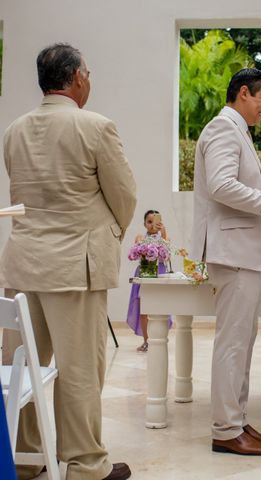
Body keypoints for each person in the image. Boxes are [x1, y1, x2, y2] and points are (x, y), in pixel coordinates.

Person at [0, 43, 136, 480]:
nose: (89, 81)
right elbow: (125, 196)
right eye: (89, 74)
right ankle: (85, 465)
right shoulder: (95, 127)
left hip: (21, 263)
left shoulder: (14, 129)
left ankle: (26, 458)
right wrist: (111, 233)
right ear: (77, 77)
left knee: (24, 364)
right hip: (74, 267)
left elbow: (20, 197)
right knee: (78, 371)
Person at [191, 68, 261, 456]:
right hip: (233, 253)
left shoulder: (238, 131)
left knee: (243, 341)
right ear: (242, 93)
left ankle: (235, 421)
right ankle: (224, 430)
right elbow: (221, 186)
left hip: (245, 253)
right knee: (232, 344)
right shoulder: (223, 128)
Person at [126, 209, 171, 352]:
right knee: (143, 309)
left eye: (155, 221)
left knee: (160, 307)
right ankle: (146, 341)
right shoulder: (140, 237)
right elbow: (137, 252)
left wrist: (163, 232)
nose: (152, 225)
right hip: (145, 273)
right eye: (149, 222)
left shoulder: (164, 236)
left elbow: (167, 255)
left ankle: (160, 339)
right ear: (145, 224)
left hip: (160, 273)